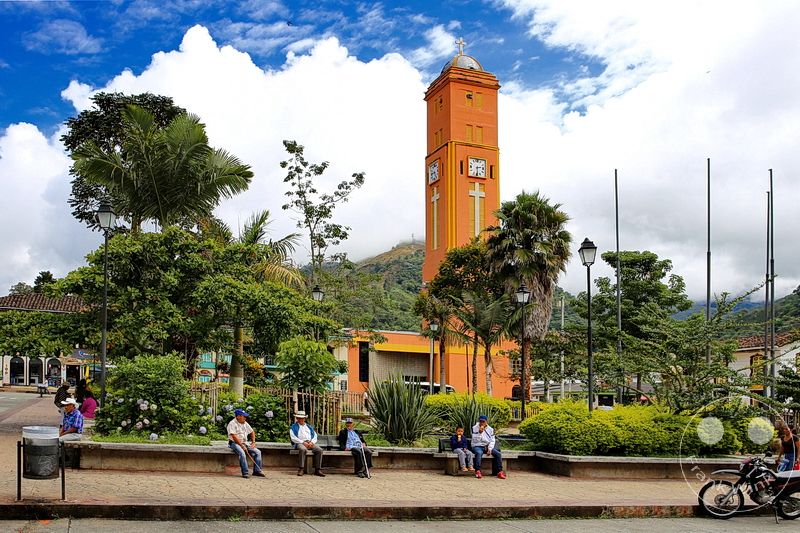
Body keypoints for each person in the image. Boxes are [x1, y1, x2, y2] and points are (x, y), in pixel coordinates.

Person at [227, 408, 265, 479]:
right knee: (242, 453)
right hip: (235, 443)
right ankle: (245, 472)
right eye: (243, 416)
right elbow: (234, 436)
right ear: (238, 416)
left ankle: (257, 471)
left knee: (257, 452)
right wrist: (242, 446)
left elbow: (252, 432)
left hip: (245, 442)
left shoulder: (245, 423)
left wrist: (253, 442)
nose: (245, 418)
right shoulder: (232, 424)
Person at [289, 410, 325, 477]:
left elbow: (315, 436)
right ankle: (301, 468)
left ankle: (317, 469)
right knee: (302, 449)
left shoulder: (309, 427)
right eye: (299, 418)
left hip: (309, 442)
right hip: (299, 443)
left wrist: (312, 442)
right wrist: (302, 442)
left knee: (319, 450)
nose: (301, 419)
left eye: (302, 418)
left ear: (305, 418)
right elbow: (293, 438)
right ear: (297, 418)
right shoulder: (293, 427)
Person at [471, 414, 505, 479]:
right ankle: (477, 471)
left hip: (487, 446)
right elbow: (475, 440)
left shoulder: (490, 429)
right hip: (477, 446)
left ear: (487, 422)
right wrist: (479, 433)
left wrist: (490, 448)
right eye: (480, 421)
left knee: (498, 454)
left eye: (483, 422)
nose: (481, 423)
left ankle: (500, 471)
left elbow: (492, 440)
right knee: (479, 453)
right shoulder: (474, 428)